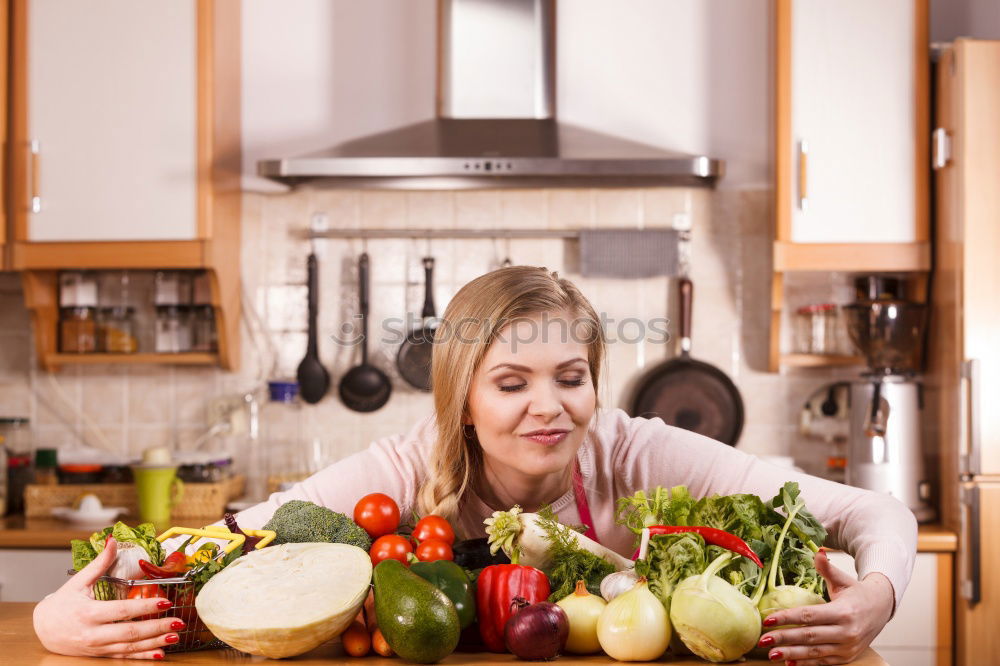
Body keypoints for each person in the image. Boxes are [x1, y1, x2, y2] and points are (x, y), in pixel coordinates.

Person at [34, 266, 916, 664]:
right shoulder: (401, 465)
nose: (550, 406)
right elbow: (227, 540)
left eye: (571, 378)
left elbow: (879, 517)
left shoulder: (636, 449)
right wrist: (55, 622)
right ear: (461, 397)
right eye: (510, 382)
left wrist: (874, 599)